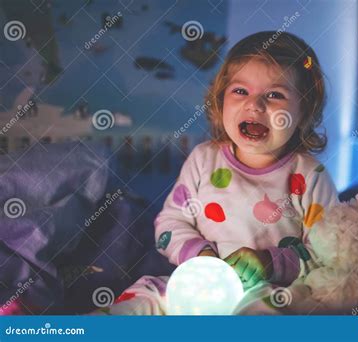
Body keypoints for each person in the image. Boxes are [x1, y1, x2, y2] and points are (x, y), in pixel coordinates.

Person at [94, 31, 339, 315]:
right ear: (220, 100)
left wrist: (270, 262)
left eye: (275, 95)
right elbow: (170, 224)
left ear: (304, 112)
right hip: (197, 287)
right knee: (144, 296)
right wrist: (201, 254)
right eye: (240, 91)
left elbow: (328, 256)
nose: (254, 105)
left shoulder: (310, 175)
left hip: (267, 291)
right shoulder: (203, 159)